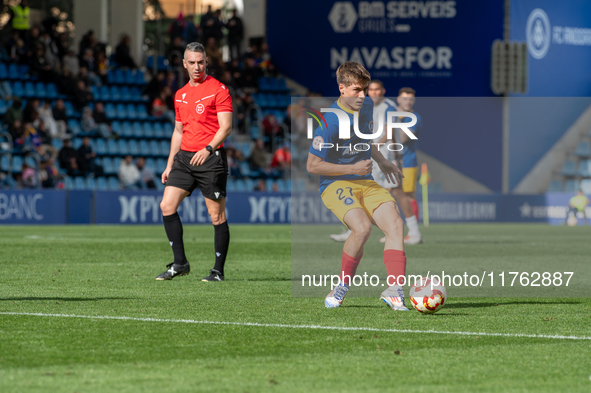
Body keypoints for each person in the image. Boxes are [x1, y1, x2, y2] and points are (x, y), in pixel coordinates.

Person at [306, 61, 408, 311]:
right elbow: (313, 166)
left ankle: (394, 290)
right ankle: (340, 287)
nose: (363, 95)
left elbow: (364, 140)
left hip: (366, 181)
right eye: (356, 90)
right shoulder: (329, 122)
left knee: (395, 224)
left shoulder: (367, 105)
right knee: (361, 228)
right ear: (341, 88)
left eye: (365, 89)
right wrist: (352, 169)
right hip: (335, 183)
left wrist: (382, 161)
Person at [157, 42, 232, 282]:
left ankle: (218, 271)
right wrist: (169, 165)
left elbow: (226, 127)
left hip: (211, 159)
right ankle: (180, 263)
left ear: (206, 61)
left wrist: (208, 149)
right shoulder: (180, 94)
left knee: (216, 216)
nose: (197, 67)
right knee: (166, 206)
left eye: (201, 62)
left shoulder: (219, 89)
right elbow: (178, 132)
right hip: (185, 159)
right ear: (184, 64)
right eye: (192, 62)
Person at [330, 80, 423, 245]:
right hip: (368, 154)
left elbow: (388, 132)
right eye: (370, 90)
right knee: (359, 189)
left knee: (397, 193)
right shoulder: (362, 105)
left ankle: (414, 232)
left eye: (377, 90)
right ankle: (354, 230)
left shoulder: (389, 106)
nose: (373, 92)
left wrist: (371, 148)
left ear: (383, 91)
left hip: (386, 156)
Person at [396, 87, 422, 219]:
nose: (408, 102)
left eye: (411, 99)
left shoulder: (415, 118)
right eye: (405, 99)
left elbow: (403, 138)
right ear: (398, 99)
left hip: (408, 163)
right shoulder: (391, 115)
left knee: (408, 195)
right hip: (391, 162)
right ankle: (392, 230)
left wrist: (396, 119)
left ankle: (413, 231)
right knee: (389, 194)